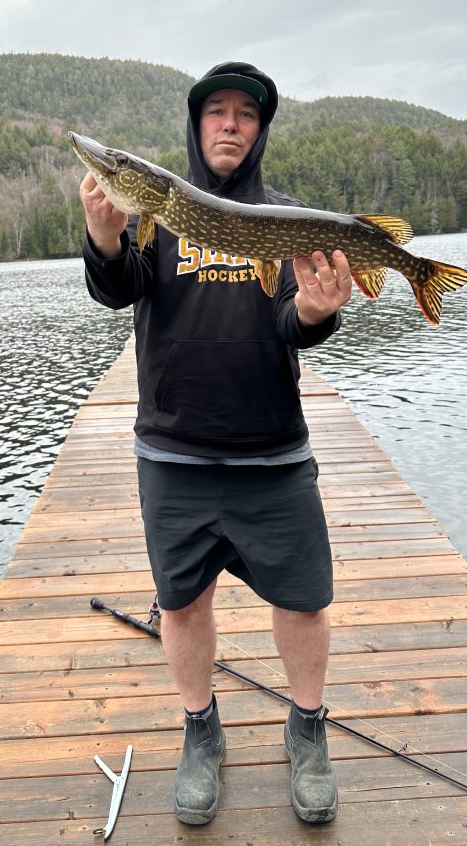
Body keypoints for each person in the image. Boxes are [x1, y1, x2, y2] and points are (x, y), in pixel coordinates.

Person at [80, 61, 352, 825]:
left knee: (302, 603)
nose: (230, 124)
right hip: (174, 452)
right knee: (183, 602)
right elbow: (119, 287)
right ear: (196, 125)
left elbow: (292, 321)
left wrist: (318, 311)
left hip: (273, 449)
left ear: (260, 130)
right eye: (216, 112)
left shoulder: (285, 215)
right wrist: (105, 240)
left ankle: (307, 729)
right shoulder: (159, 209)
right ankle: (201, 731)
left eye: (245, 114)